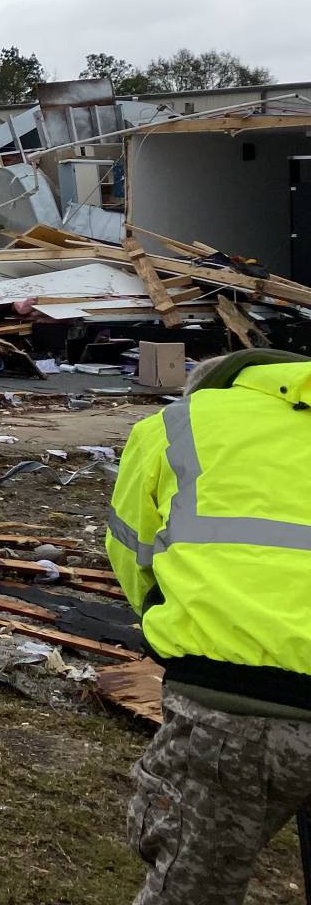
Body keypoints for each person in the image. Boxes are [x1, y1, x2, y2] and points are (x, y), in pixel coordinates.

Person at [106, 349, 311, 904]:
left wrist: (168, 621)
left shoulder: (177, 426)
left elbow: (132, 549)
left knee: (193, 886)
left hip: (231, 706)